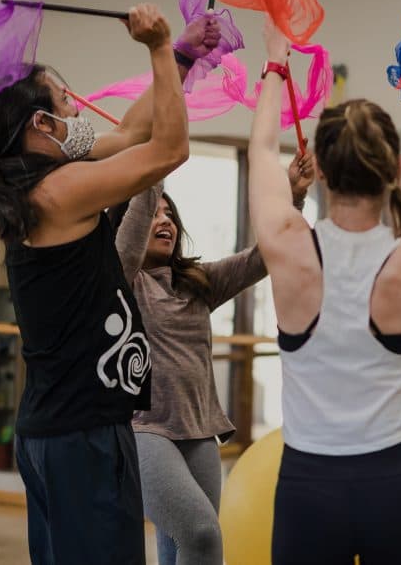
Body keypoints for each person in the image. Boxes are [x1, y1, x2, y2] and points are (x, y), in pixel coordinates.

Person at [0, 4, 218, 564]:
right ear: (40, 125)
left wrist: (178, 56)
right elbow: (168, 150)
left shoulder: (37, 179)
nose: (77, 109)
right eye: (66, 102)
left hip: (68, 429)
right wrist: (154, 49)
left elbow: (134, 130)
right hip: (78, 434)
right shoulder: (57, 192)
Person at [248, 16, 401, 564]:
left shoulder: (286, 243)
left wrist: (276, 64)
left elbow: (261, 152)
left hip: (309, 492)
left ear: (322, 174)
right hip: (397, 489)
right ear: (389, 173)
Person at [110, 154, 314, 565]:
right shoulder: (122, 278)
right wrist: (156, 166)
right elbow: (129, 238)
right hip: (145, 430)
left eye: (170, 214)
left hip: (199, 429)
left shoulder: (199, 282)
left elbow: (263, 256)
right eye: (153, 213)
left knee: (181, 547)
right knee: (203, 534)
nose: (163, 220)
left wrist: (294, 196)